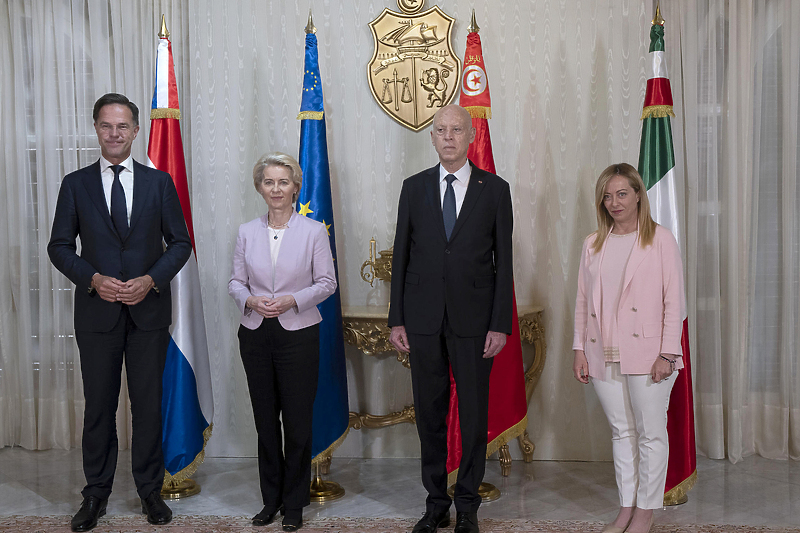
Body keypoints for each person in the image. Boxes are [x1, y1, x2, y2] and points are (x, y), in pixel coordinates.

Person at [48, 93, 191, 532]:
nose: (114, 133)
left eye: (122, 126)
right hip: (97, 315)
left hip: (148, 313)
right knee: (99, 409)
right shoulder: (75, 184)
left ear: (135, 131)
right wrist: (92, 279)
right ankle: (96, 495)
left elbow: (181, 244)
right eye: (107, 126)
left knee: (147, 407)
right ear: (96, 129)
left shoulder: (159, 183)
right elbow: (58, 247)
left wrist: (151, 280)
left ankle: (150, 492)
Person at [388, 105, 513, 533]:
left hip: (476, 322)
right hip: (422, 320)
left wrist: (500, 324)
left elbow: (505, 262)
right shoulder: (414, 187)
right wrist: (396, 319)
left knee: (474, 415)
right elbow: (401, 255)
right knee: (429, 414)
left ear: (471, 135)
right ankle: (436, 502)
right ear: (433, 137)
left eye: (456, 130)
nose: (448, 137)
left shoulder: (495, 190)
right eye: (440, 130)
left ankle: (468, 506)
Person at [572, 163, 685, 533]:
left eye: (621, 193)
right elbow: (582, 301)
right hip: (601, 350)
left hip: (651, 353)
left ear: (638, 193)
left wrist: (668, 353)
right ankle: (626, 506)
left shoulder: (660, 238)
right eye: (607, 195)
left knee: (651, 432)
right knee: (621, 432)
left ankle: (646, 511)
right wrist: (578, 349)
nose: (614, 202)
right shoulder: (593, 243)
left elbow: (675, 302)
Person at [228, 152, 336, 532]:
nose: (276, 189)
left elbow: (327, 283)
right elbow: (235, 282)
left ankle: (294, 504)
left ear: (296, 187)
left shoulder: (313, 231)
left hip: (299, 333)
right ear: (260, 187)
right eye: (269, 182)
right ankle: (269, 500)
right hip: (256, 333)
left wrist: (293, 299)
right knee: (265, 422)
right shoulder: (246, 231)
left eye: (283, 182)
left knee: (297, 421)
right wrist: (250, 300)